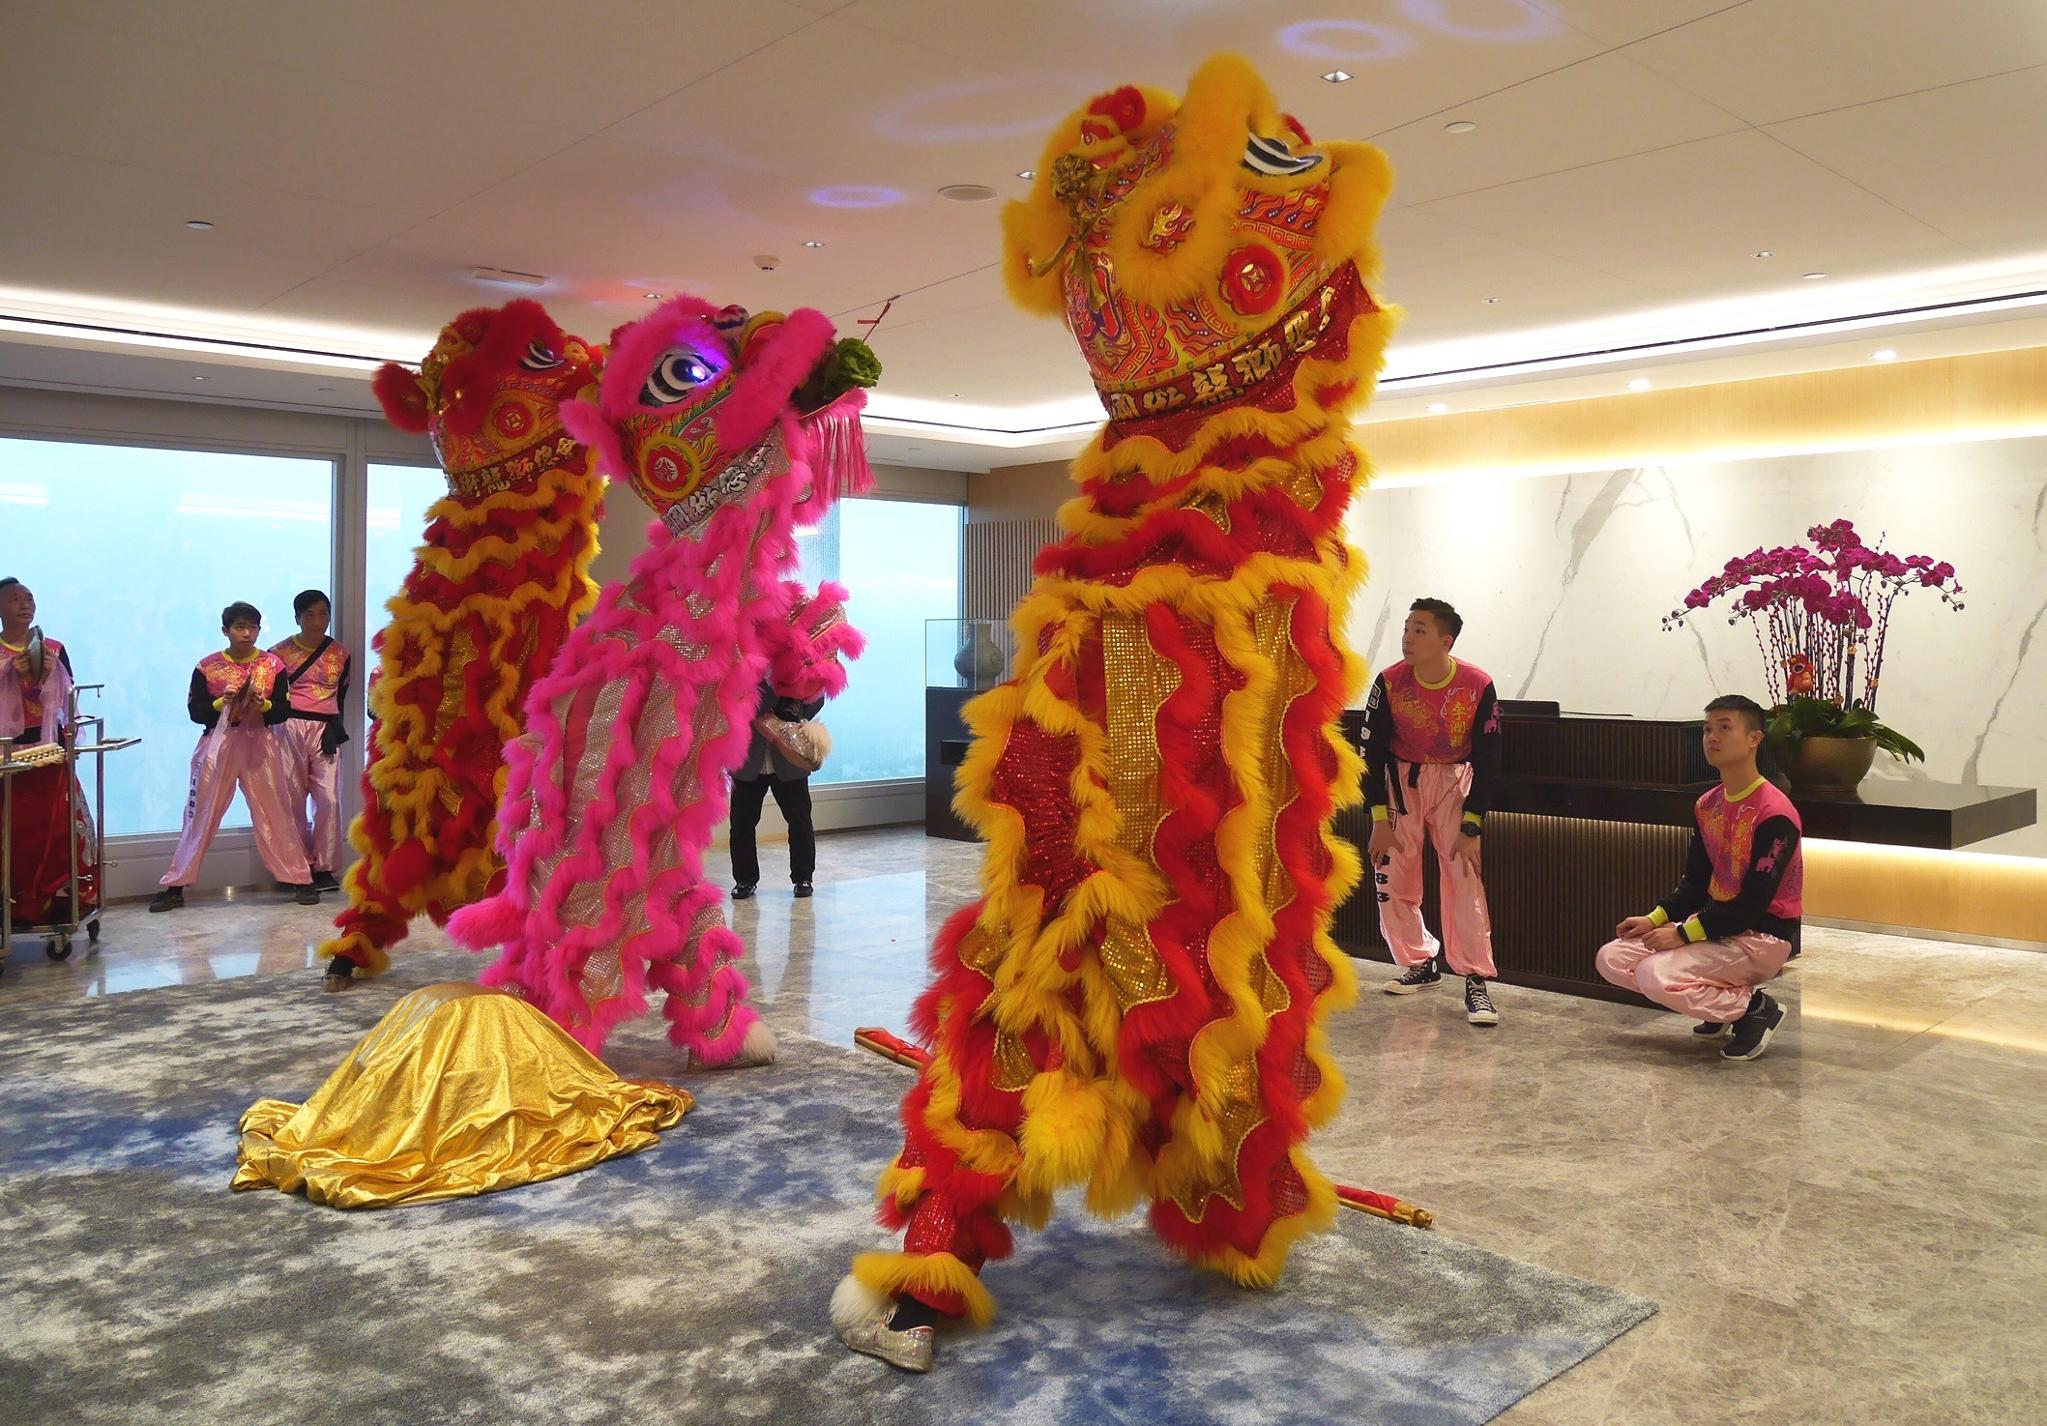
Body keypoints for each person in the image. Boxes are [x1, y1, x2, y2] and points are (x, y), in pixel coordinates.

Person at [1596, 694, 1798, 1062]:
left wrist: (1682, 934)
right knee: (1612, 958)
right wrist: (1655, 919)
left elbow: (1753, 904)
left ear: (1754, 738)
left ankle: (1755, 1008)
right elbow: (1694, 883)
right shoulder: (1708, 805)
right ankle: (1721, 1006)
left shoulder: (1775, 814)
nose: (1712, 738)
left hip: (1762, 935)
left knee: (1656, 974)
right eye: (1707, 729)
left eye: (1724, 728)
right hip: (1718, 927)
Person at [1363, 598, 1503, 1026]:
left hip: (1452, 782)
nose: (1407, 636)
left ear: (1445, 641)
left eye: (1419, 629)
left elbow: (1491, 757)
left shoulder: (1478, 684)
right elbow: (1368, 750)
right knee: (1392, 875)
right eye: (1407, 627)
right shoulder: (1388, 682)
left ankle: (1476, 979)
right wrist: (1379, 821)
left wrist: (1473, 823)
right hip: (1400, 784)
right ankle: (1421, 962)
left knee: (1463, 876)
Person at [151, 602, 317, 912]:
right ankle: (175, 884)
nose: (247, 633)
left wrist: (263, 705)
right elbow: (195, 711)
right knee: (201, 812)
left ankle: (299, 878)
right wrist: (220, 704)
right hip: (219, 744)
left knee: (276, 812)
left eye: (252, 627)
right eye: (240, 627)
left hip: (261, 744)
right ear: (225, 630)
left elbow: (283, 709)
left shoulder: (273, 665)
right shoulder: (207, 666)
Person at [0, 577, 97, 928]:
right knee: (15, 830)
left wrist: (50, 675)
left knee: (60, 826)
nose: (25, 604)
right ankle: (15, 900)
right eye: (14, 599)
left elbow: (69, 695)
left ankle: (65, 897)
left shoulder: (53, 648)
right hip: (6, 757)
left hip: (50, 750)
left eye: (29, 598)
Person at [268, 590, 351, 894]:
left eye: (324, 614)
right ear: (297, 617)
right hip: (289, 727)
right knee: (291, 798)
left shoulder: (341, 653)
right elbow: (271, 696)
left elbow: (340, 694)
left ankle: (324, 867)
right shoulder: (278, 653)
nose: (318, 621)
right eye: (310, 614)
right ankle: (295, 865)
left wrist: (332, 722)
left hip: (324, 728)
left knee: (328, 798)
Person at [729, 682, 824, 901]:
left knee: (799, 820)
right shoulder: (743, 661)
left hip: (789, 756)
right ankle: (744, 880)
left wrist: (795, 715)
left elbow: (817, 694)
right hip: (748, 756)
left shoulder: (797, 663)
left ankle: (803, 878)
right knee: (742, 823)